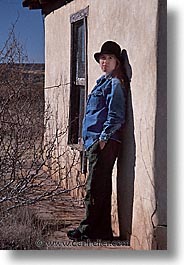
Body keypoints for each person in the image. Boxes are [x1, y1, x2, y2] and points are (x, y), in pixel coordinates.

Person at [67, 41, 130, 241]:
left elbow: (117, 115)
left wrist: (103, 138)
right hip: (95, 141)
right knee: (100, 186)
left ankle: (87, 230)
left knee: (93, 187)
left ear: (117, 62)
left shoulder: (115, 84)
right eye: (102, 58)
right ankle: (101, 231)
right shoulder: (102, 81)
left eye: (109, 58)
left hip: (105, 142)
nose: (105, 62)